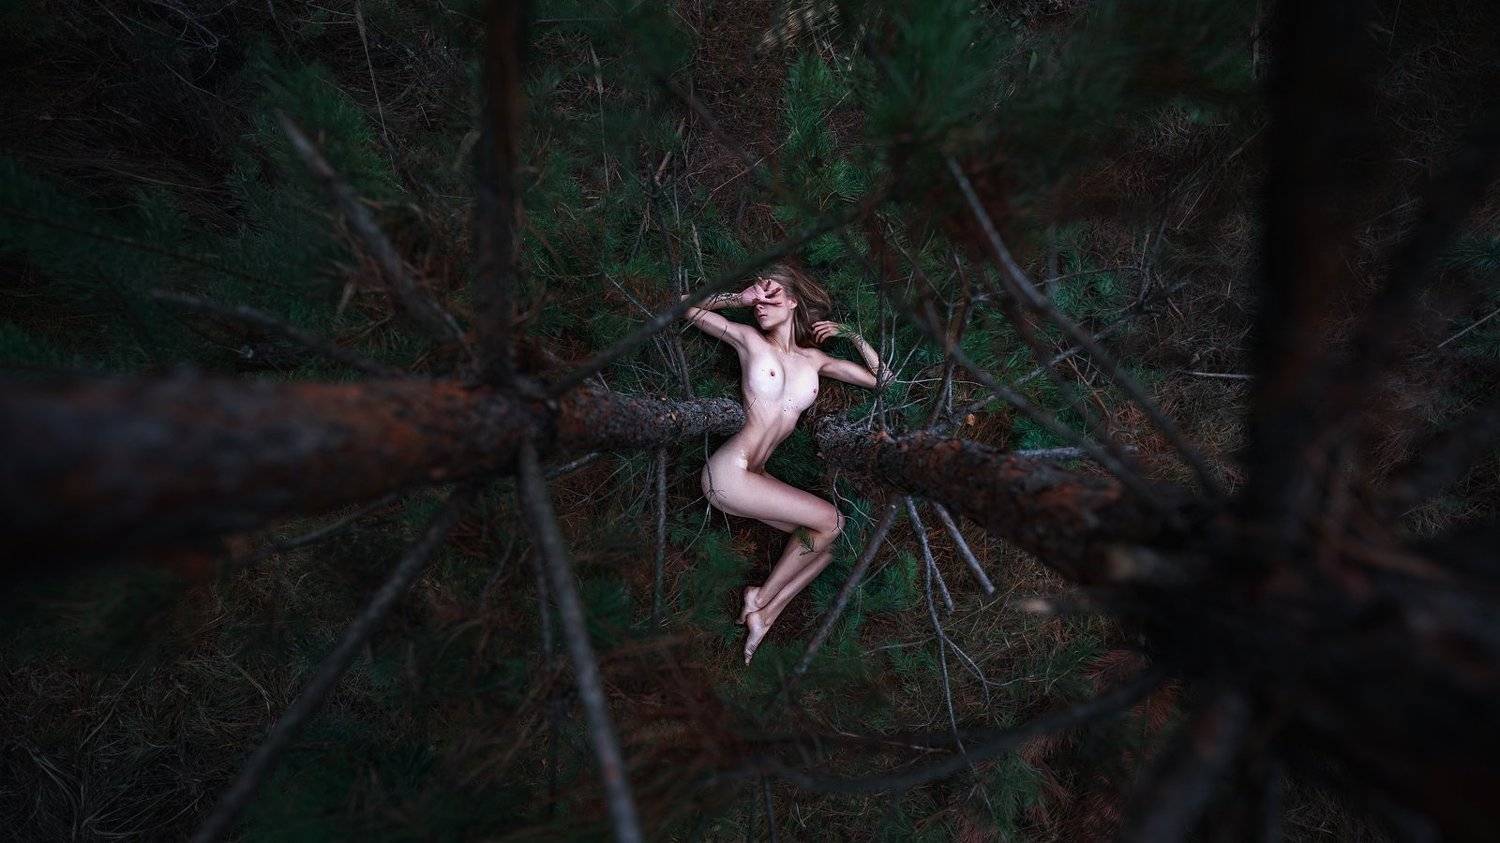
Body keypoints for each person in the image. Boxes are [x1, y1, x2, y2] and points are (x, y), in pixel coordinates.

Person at [680, 262, 886, 664]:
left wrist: (852, 335)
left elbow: (883, 380)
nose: (760, 302)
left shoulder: (815, 361)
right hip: (730, 472)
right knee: (833, 521)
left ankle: (766, 613)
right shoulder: (748, 340)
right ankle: (760, 598)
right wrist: (737, 298)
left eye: (770, 294)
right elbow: (683, 307)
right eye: (757, 295)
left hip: (755, 478)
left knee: (828, 541)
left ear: (792, 301)